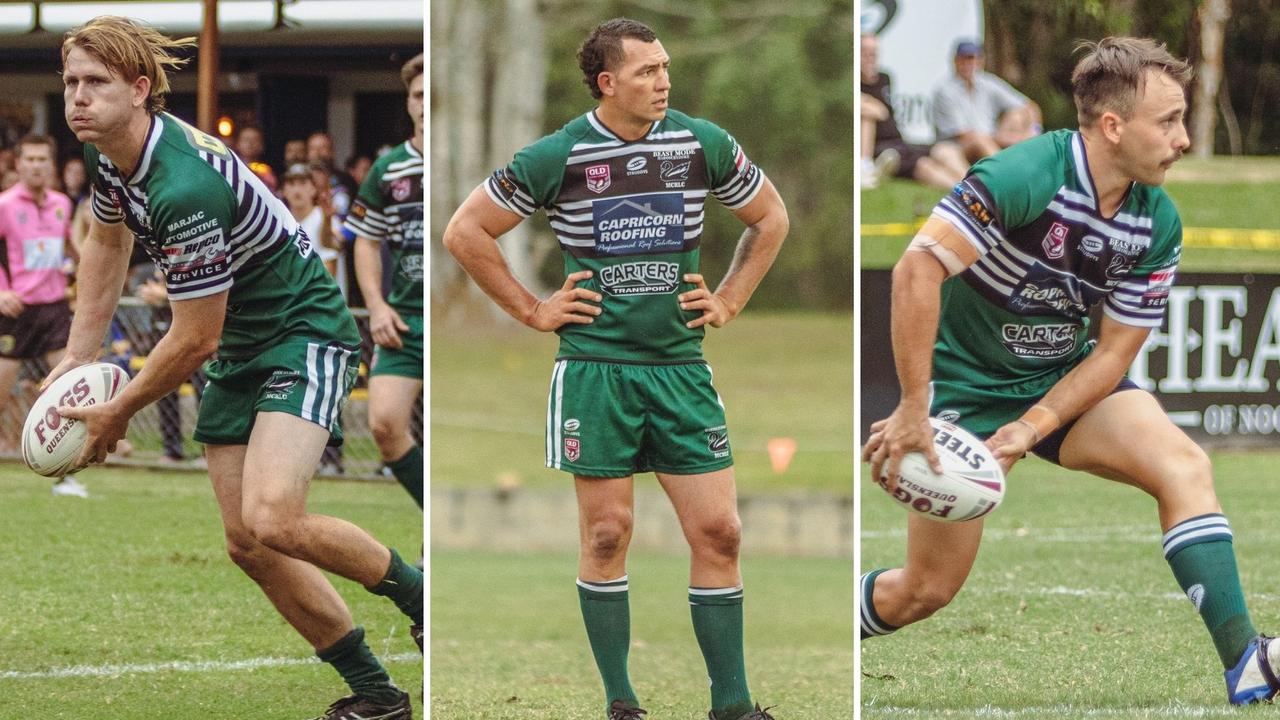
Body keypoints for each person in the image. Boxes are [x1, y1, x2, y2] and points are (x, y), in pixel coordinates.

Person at [861, 37, 1280, 706]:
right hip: (965, 395)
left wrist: (1035, 425)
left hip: (1066, 383)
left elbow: (1114, 352)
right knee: (924, 593)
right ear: (1113, 126)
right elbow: (918, 267)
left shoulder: (1156, 221)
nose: (1180, 140)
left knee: (1184, 467)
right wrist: (915, 406)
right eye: (1167, 121)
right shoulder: (1023, 176)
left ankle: (1246, 662)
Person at [48, 16, 421, 718]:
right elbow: (104, 242)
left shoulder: (182, 185)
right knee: (249, 544)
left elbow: (193, 338)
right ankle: (377, 695)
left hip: (302, 328)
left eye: (94, 83)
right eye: (69, 82)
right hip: (242, 339)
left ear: (139, 89)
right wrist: (77, 357)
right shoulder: (109, 155)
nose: (77, 97)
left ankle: (423, 595)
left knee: (274, 516)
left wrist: (115, 412)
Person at [444, 18, 788, 720]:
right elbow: (465, 231)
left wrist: (728, 299)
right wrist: (533, 309)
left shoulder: (701, 142)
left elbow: (770, 216)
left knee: (720, 531)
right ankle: (622, 702)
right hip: (596, 369)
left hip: (681, 369)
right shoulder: (559, 154)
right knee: (607, 535)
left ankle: (734, 706)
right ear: (607, 82)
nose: (663, 81)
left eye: (665, 68)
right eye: (646, 72)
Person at [344, 53, 423, 509]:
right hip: (403, 319)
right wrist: (375, 304)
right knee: (384, 425)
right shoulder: (388, 169)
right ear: (409, 103)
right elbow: (366, 241)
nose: (425, 105)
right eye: (418, 96)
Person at [0, 134, 81, 496]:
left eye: (42, 159)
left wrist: (85, 281)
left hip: (54, 309)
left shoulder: (62, 204)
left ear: (52, 165)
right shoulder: (4, 205)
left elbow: (71, 248)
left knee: (66, 390)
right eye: (29, 159)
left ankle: (67, 476)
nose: (36, 166)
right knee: (1, 393)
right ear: (18, 164)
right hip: (17, 311)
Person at [860, 32, 968, 190]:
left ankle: (979, 189)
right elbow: (876, 111)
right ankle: (966, 196)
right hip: (880, 148)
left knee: (945, 151)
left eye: (874, 52)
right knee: (923, 165)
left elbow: (882, 111)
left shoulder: (884, 78)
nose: (870, 57)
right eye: (864, 52)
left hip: (899, 141)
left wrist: (869, 102)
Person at [931, 40, 1042, 163]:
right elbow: (964, 134)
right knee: (980, 140)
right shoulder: (945, 90)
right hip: (960, 146)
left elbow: (1029, 106)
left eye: (972, 59)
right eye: (964, 59)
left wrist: (1033, 132)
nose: (968, 64)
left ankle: (1023, 166)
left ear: (980, 61)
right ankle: (1004, 170)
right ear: (955, 61)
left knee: (1017, 115)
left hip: (992, 140)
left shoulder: (988, 83)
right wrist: (1012, 139)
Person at [235, 124, 277, 193]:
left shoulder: (265, 171)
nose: (250, 143)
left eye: (254, 140)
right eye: (246, 140)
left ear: (261, 145)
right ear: (237, 144)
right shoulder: (233, 166)